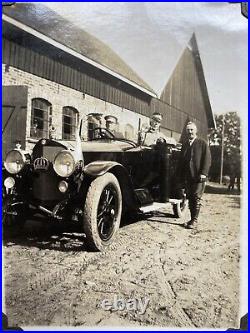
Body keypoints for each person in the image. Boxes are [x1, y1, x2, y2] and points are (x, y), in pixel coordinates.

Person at [177, 121, 211, 229]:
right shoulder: (185, 144)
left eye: (191, 130)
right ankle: (192, 219)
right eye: (188, 130)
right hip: (188, 176)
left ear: (196, 131)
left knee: (196, 197)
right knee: (190, 198)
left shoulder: (202, 143)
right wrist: (180, 176)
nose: (190, 132)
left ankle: (194, 221)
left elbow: (207, 159)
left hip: (198, 176)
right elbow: (181, 161)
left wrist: (203, 173)